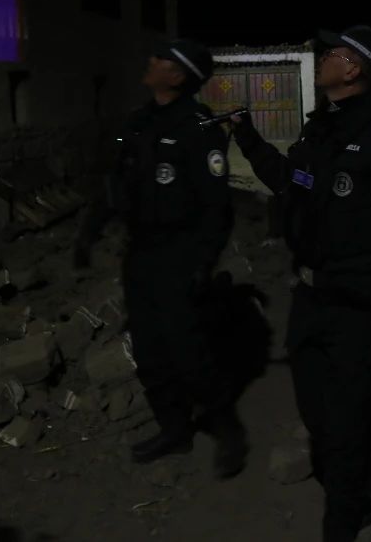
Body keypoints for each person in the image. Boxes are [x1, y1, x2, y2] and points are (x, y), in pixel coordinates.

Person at [230, 25, 371, 541]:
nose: (321, 59)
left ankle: (341, 525)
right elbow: (289, 182)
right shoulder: (320, 131)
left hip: (358, 303)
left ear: (353, 68)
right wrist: (246, 136)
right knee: (317, 413)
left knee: (341, 428)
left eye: (331, 54)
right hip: (311, 298)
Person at [75, 40, 246, 476]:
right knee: (148, 349)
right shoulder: (136, 122)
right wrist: (90, 230)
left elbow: (216, 207)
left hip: (179, 252)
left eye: (160, 59)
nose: (150, 61)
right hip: (142, 252)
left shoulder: (199, 127)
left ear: (177, 75)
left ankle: (227, 429)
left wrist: (202, 262)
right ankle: (174, 430)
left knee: (187, 349)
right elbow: (116, 180)